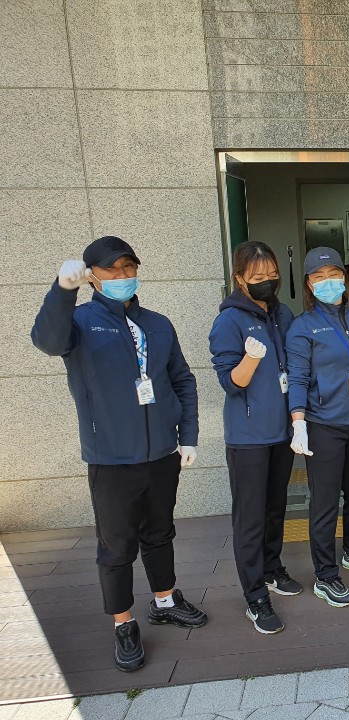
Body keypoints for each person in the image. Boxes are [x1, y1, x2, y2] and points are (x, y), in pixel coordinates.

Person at [31, 235, 206, 672]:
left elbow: (181, 380)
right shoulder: (80, 321)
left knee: (160, 532)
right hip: (110, 458)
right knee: (116, 546)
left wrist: (189, 435)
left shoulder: (158, 323)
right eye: (113, 269)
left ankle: (164, 600)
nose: (124, 276)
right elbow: (47, 341)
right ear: (93, 276)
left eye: (129, 268)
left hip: (162, 452)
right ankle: (123, 623)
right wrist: (61, 290)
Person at [209, 241, 301, 634]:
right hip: (248, 436)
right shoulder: (228, 321)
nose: (267, 283)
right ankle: (254, 596)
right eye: (257, 277)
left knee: (275, 507)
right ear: (239, 279)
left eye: (272, 275)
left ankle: (271, 567)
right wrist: (250, 358)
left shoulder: (283, 313)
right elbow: (231, 383)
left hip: (282, 432)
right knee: (250, 517)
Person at [286, 247, 349, 610]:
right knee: (324, 503)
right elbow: (297, 378)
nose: (328, 282)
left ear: (345, 277)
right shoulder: (302, 327)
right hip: (324, 424)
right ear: (309, 284)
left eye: (333, 274)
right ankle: (325, 575)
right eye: (319, 276)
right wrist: (299, 423)